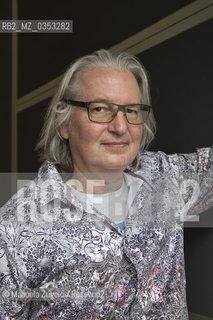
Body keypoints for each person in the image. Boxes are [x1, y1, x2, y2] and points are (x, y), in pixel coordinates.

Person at [0, 49, 212, 319]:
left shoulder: (168, 176)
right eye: (100, 109)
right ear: (64, 124)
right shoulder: (15, 227)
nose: (120, 127)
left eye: (132, 111)